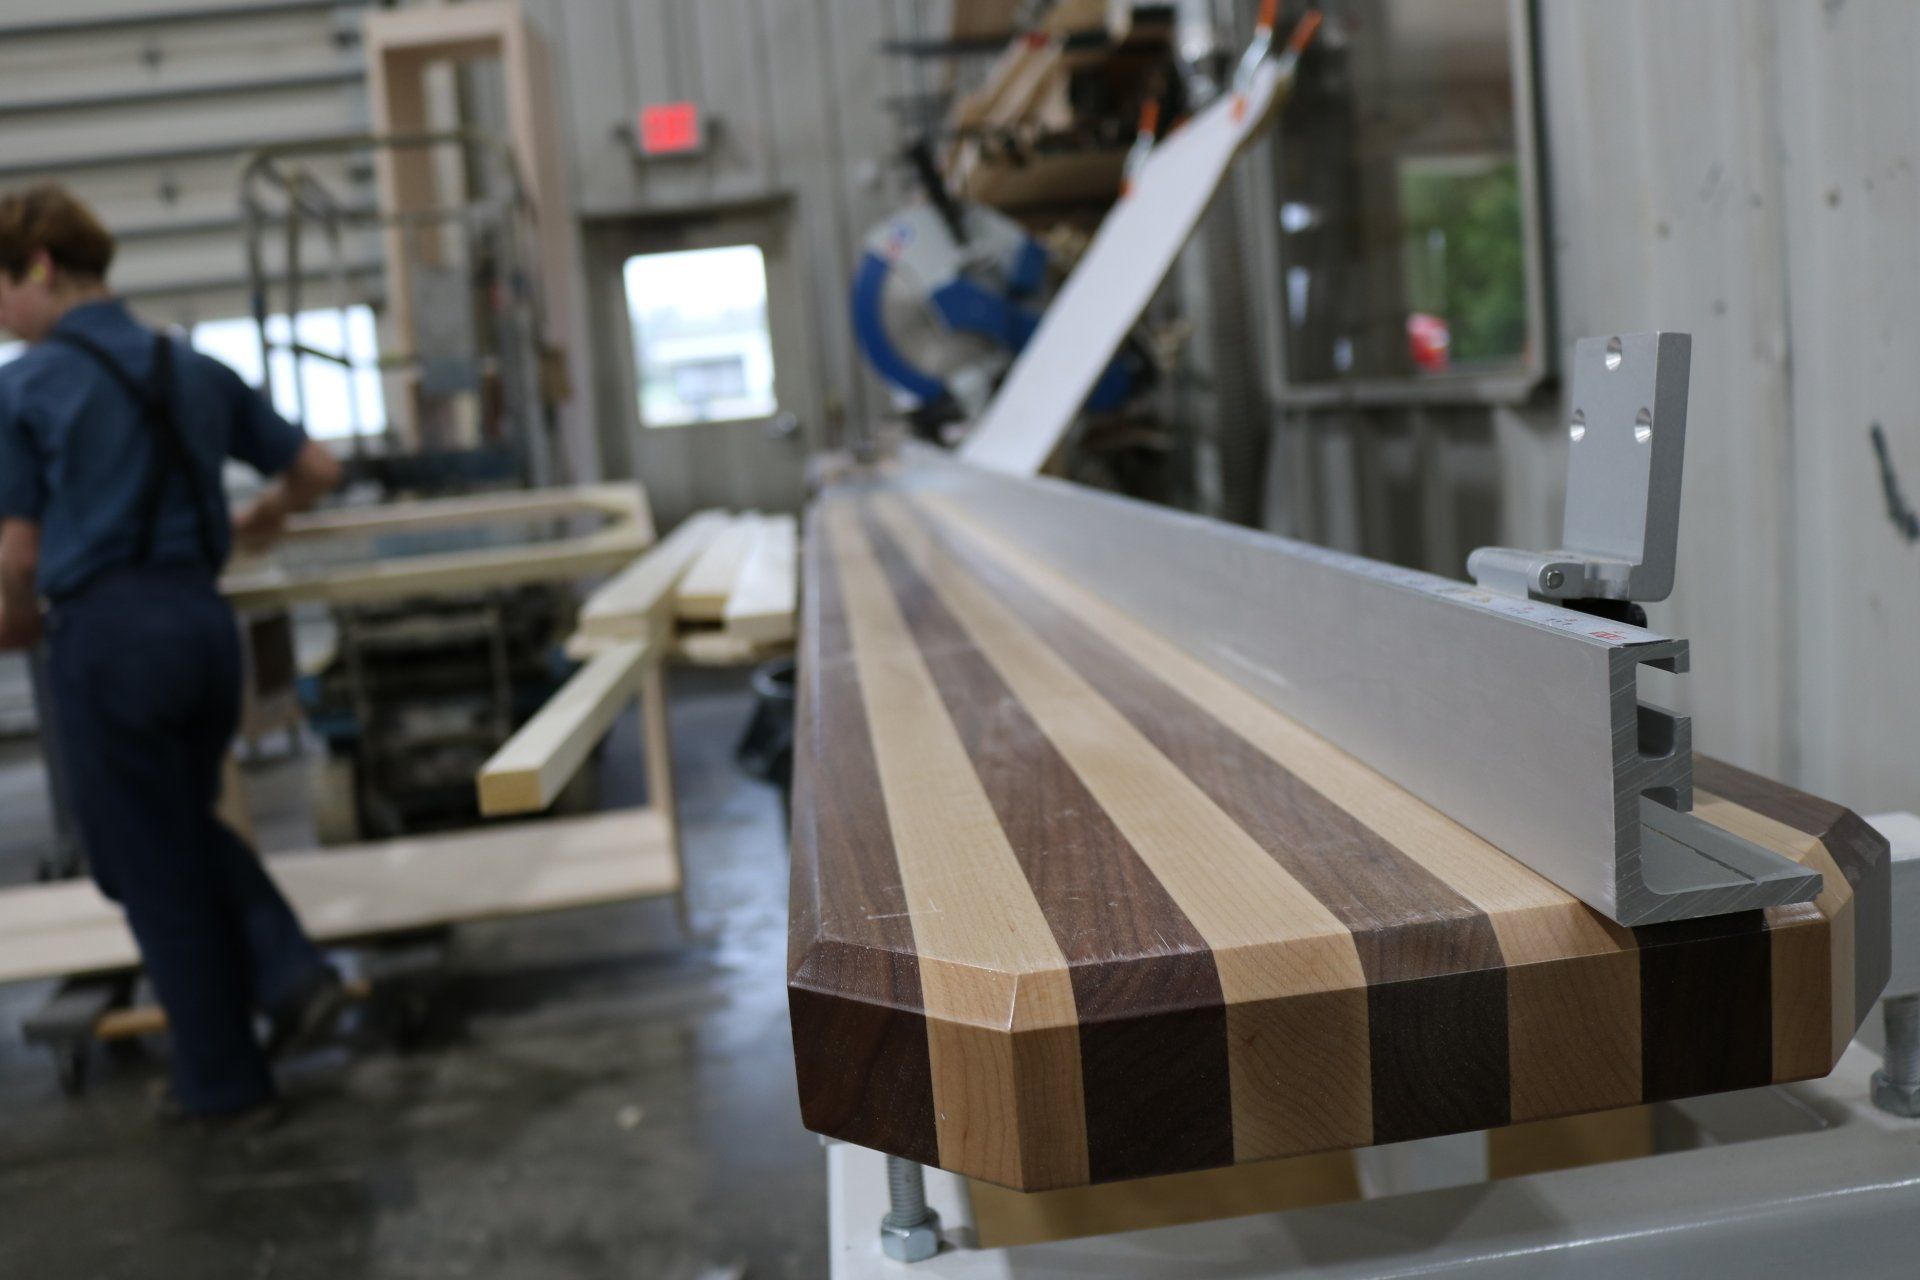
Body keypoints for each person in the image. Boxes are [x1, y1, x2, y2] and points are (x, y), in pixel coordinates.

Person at [0, 184, 346, 1127]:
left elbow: (17, 554)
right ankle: (269, 1002)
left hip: (106, 639)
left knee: (144, 861)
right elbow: (315, 468)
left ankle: (239, 1064)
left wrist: (13, 619)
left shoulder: (24, 386)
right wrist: (260, 522)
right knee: (170, 842)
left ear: (37, 270)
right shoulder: (191, 365)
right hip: (201, 628)